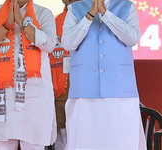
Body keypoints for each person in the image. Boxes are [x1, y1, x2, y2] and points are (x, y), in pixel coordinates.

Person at [61, 0, 147, 149]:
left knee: (121, 141)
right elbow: (68, 43)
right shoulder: (74, 9)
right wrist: (89, 15)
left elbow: (132, 38)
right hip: (84, 90)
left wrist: (106, 14)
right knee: (84, 142)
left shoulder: (127, 7)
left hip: (120, 90)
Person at [0, 0, 57, 149]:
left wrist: (22, 22)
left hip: (34, 96)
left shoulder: (43, 13)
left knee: (34, 145)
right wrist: (7, 24)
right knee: (2, 145)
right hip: (1, 96)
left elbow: (50, 44)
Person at [49, 0, 78, 150]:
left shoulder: (95, 21)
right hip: (60, 90)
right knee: (61, 139)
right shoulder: (52, 24)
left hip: (87, 91)